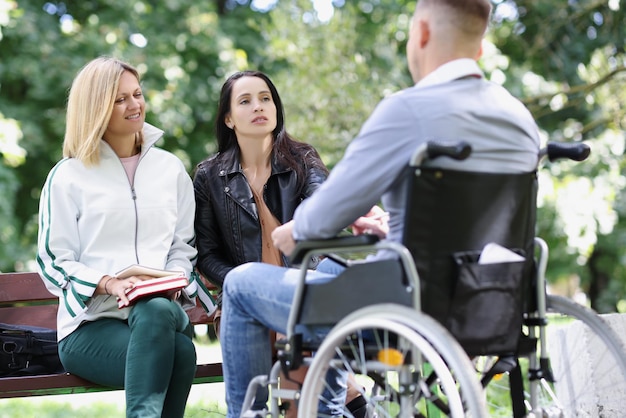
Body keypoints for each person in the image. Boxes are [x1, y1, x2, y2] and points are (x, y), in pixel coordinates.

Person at [219, 0, 542, 416]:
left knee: (242, 283)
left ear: (421, 33)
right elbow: (479, 223)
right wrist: (391, 231)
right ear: (479, 47)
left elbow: (331, 209)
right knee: (336, 269)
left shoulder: (408, 110)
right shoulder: (518, 118)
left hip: (406, 303)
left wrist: (293, 231)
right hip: (490, 299)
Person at [193, 70, 369, 417]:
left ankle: (320, 401)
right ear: (228, 118)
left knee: (329, 278)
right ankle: (350, 397)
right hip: (249, 300)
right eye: (245, 101)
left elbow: (323, 215)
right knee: (275, 323)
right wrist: (239, 285)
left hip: (302, 289)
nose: (258, 106)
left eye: (265, 98)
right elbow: (207, 254)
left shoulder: (302, 159)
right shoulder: (210, 176)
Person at [36, 57, 205, 418]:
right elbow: (53, 262)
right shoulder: (68, 176)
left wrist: (173, 280)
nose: (135, 105)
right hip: (90, 328)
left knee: (157, 307)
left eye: (137, 94)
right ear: (96, 108)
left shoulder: (170, 170)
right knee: (182, 352)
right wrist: (109, 283)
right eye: (119, 99)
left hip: (161, 311)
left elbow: (183, 248)